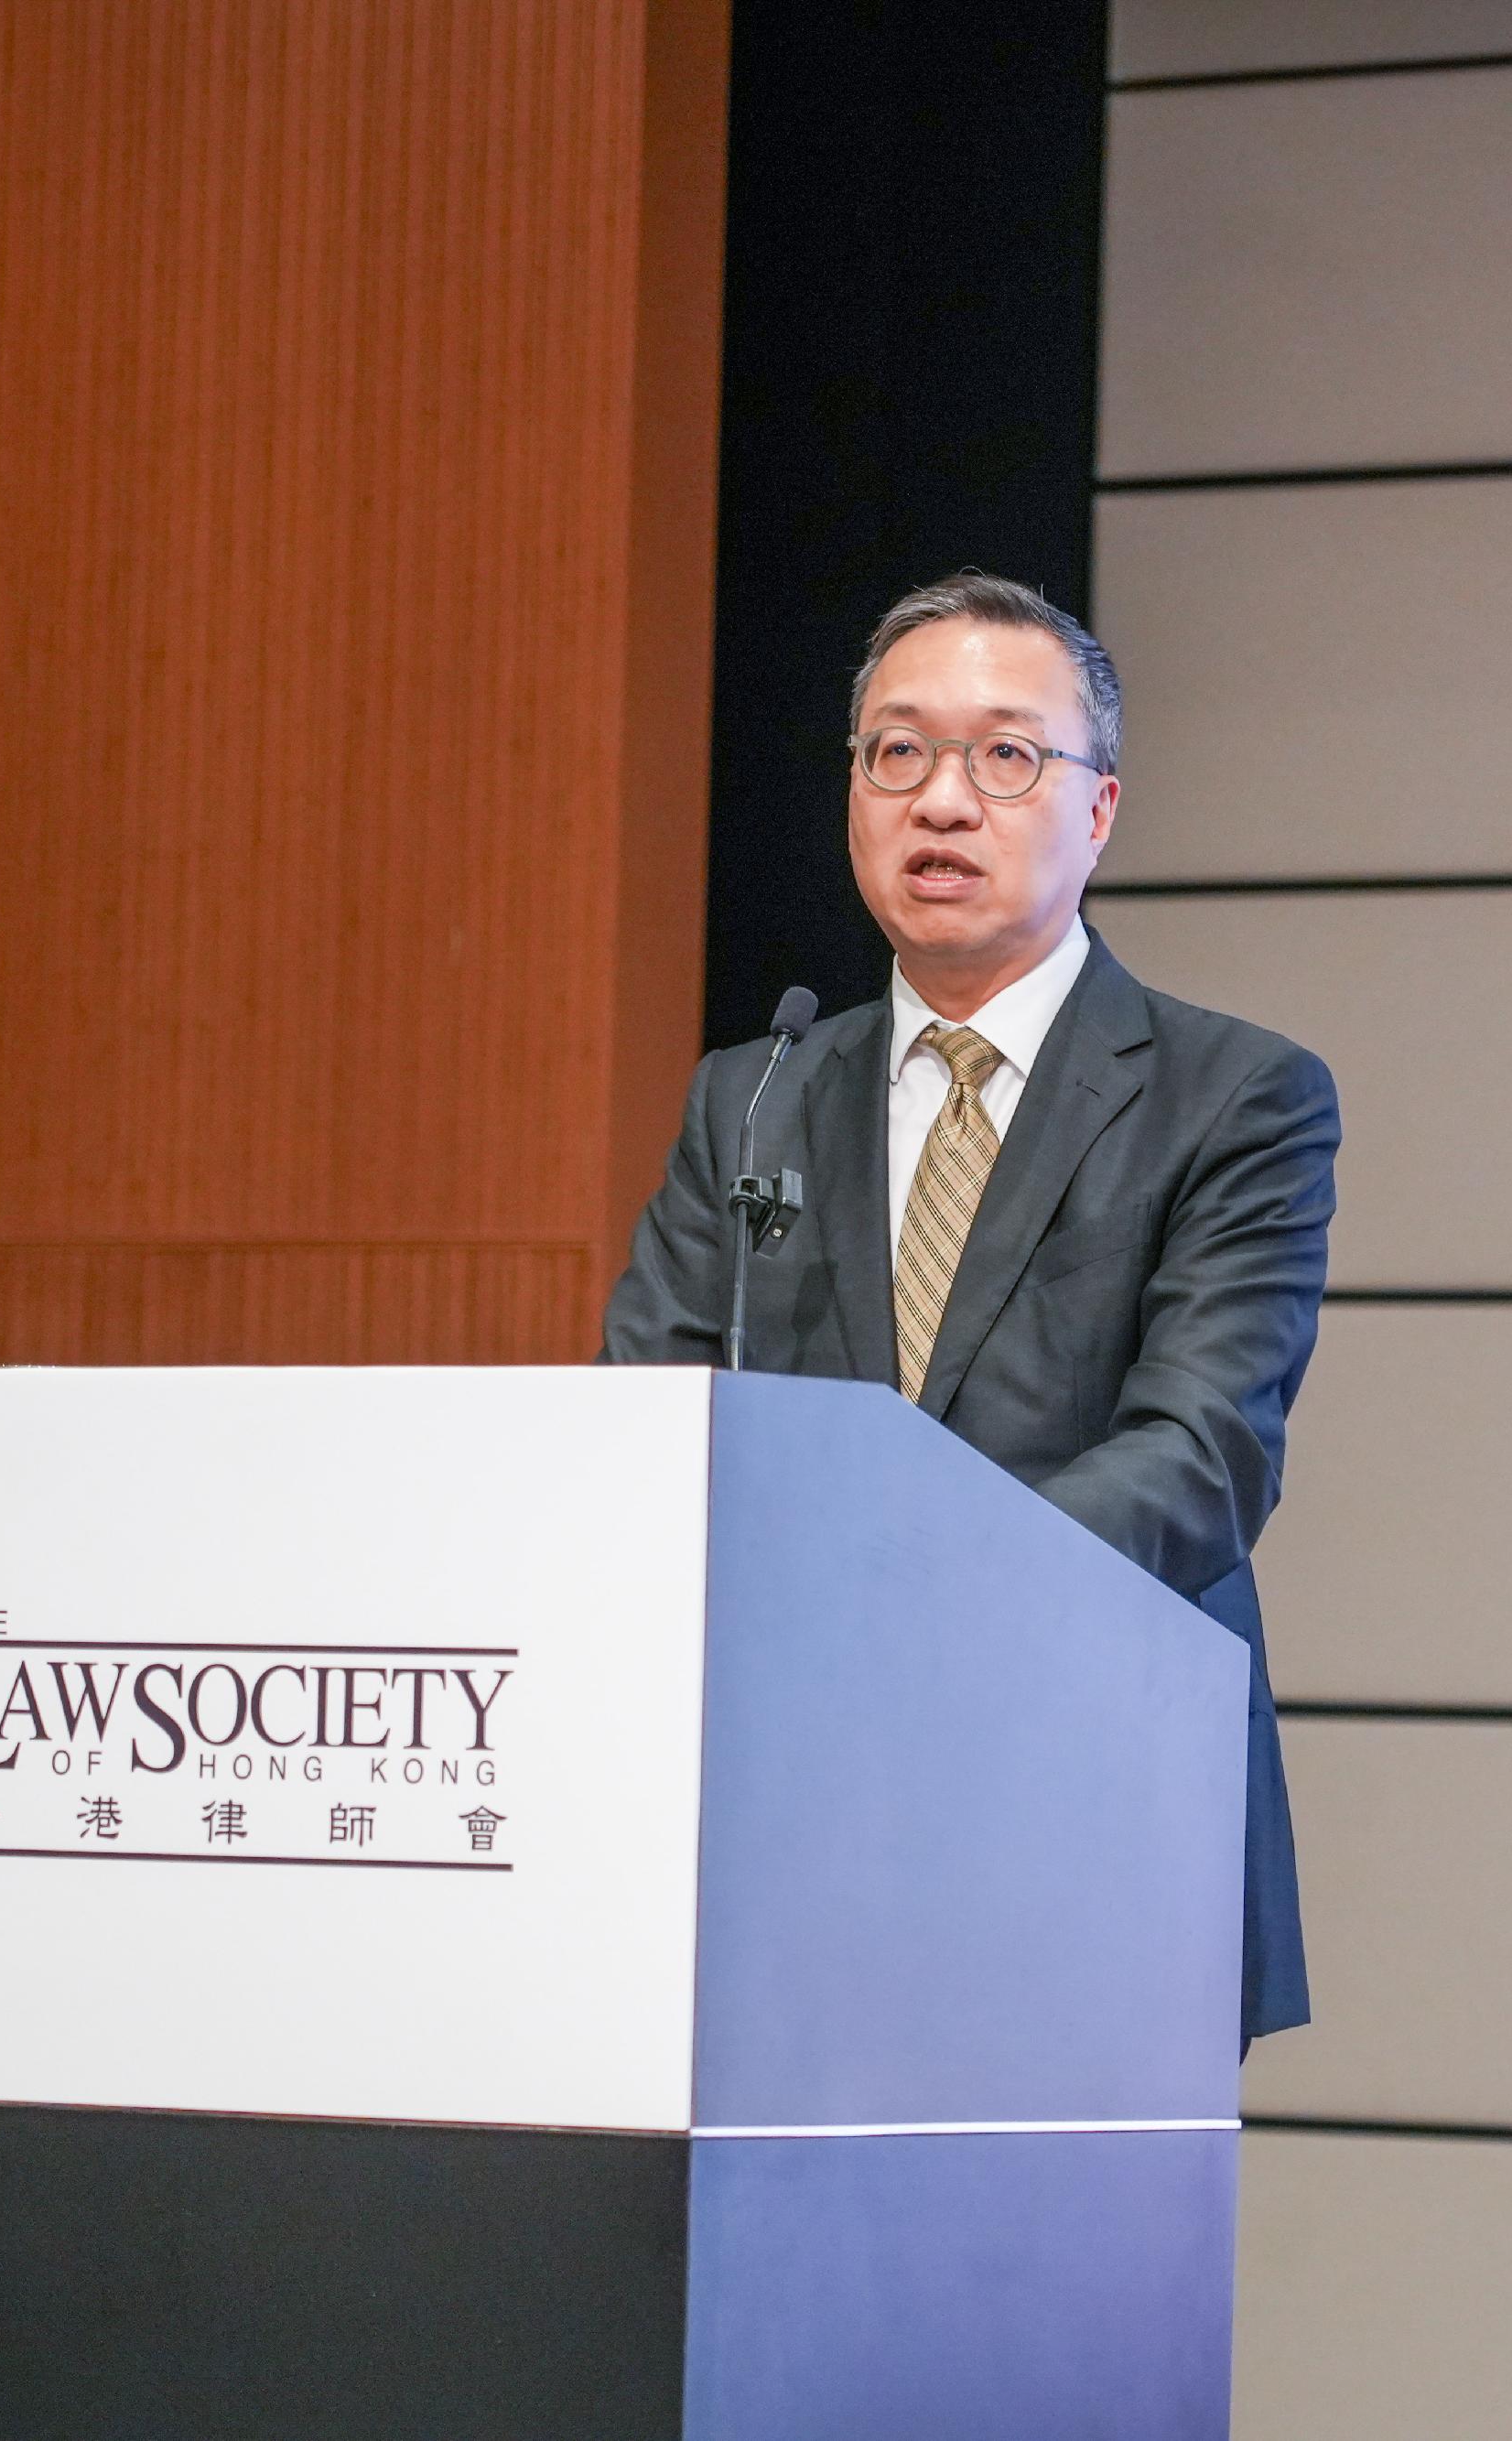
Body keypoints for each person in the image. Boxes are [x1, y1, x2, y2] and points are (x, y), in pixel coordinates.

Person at [601, 571, 1337, 2044]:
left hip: (1097, 1801)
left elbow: (1200, 1458)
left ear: (1101, 808)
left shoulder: (1234, 1098)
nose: (943, 800)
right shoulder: (756, 1093)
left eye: (1006, 755)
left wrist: (901, 1607)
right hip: (786, 1822)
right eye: (898, 752)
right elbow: (654, 1425)